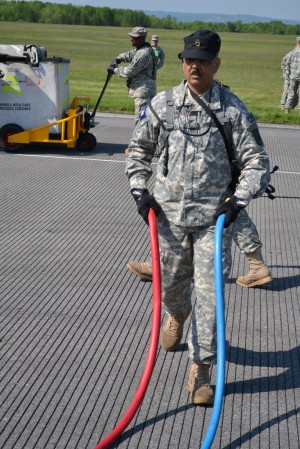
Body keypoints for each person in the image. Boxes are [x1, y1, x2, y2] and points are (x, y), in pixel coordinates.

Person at [126, 30, 270, 405]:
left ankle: (201, 369)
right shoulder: (164, 104)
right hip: (169, 219)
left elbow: (257, 162)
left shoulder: (233, 110)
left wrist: (238, 201)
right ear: (183, 62)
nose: (195, 66)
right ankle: (177, 314)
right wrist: (140, 189)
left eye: (203, 61)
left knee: (211, 298)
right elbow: (138, 149)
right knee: (171, 287)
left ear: (216, 64)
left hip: (213, 222)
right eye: (189, 59)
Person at [107, 27, 157, 125]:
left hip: (143, 93)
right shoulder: (141, 49)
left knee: (141, 122)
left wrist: (115, 70)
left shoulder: (144, 54)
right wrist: (118, 58)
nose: (131, 39)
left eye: (135, 37)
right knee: (144, 121)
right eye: (131, 37)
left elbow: (130, 71)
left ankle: (139, 140)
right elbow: (130, 54)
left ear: (142, 38)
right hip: (144, 91)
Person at [281, 36, 300, 113]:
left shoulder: (291, 53)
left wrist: (287, 74)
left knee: (290, 93)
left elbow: (284, 63)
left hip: (292, 77)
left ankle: (287, 110)